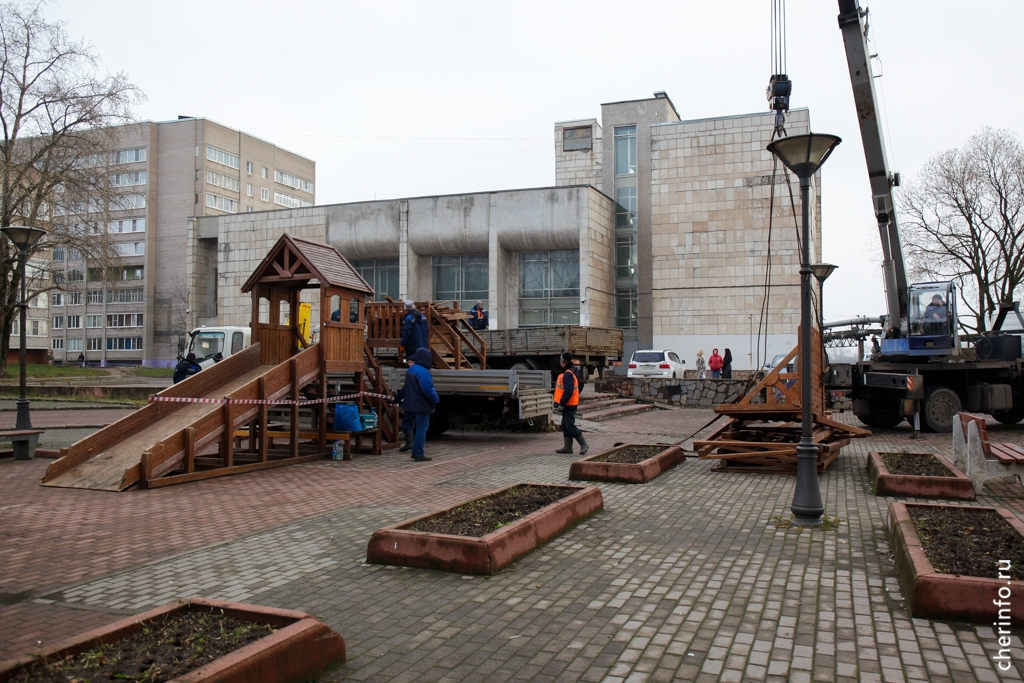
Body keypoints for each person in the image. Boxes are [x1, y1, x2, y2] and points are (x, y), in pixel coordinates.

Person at [392, 347, 439, 462]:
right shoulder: (423, 371)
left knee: (414, 426)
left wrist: (396, 398)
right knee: (422, 428)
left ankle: (413, 449)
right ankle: (418, 452)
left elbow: (406, 388)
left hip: (411, 403)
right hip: (422, 404)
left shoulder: (412, 369)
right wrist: (435, 399)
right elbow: (427, 389)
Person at [554, 352, 588, 455]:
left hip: (568, 404)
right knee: (565, 425)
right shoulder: (568, 371)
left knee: (569, 425)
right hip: (568, 404)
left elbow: (568, 391)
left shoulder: (568, 373)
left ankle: (584, 444)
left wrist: (562, 404)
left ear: (562, 361)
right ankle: (568, 448)